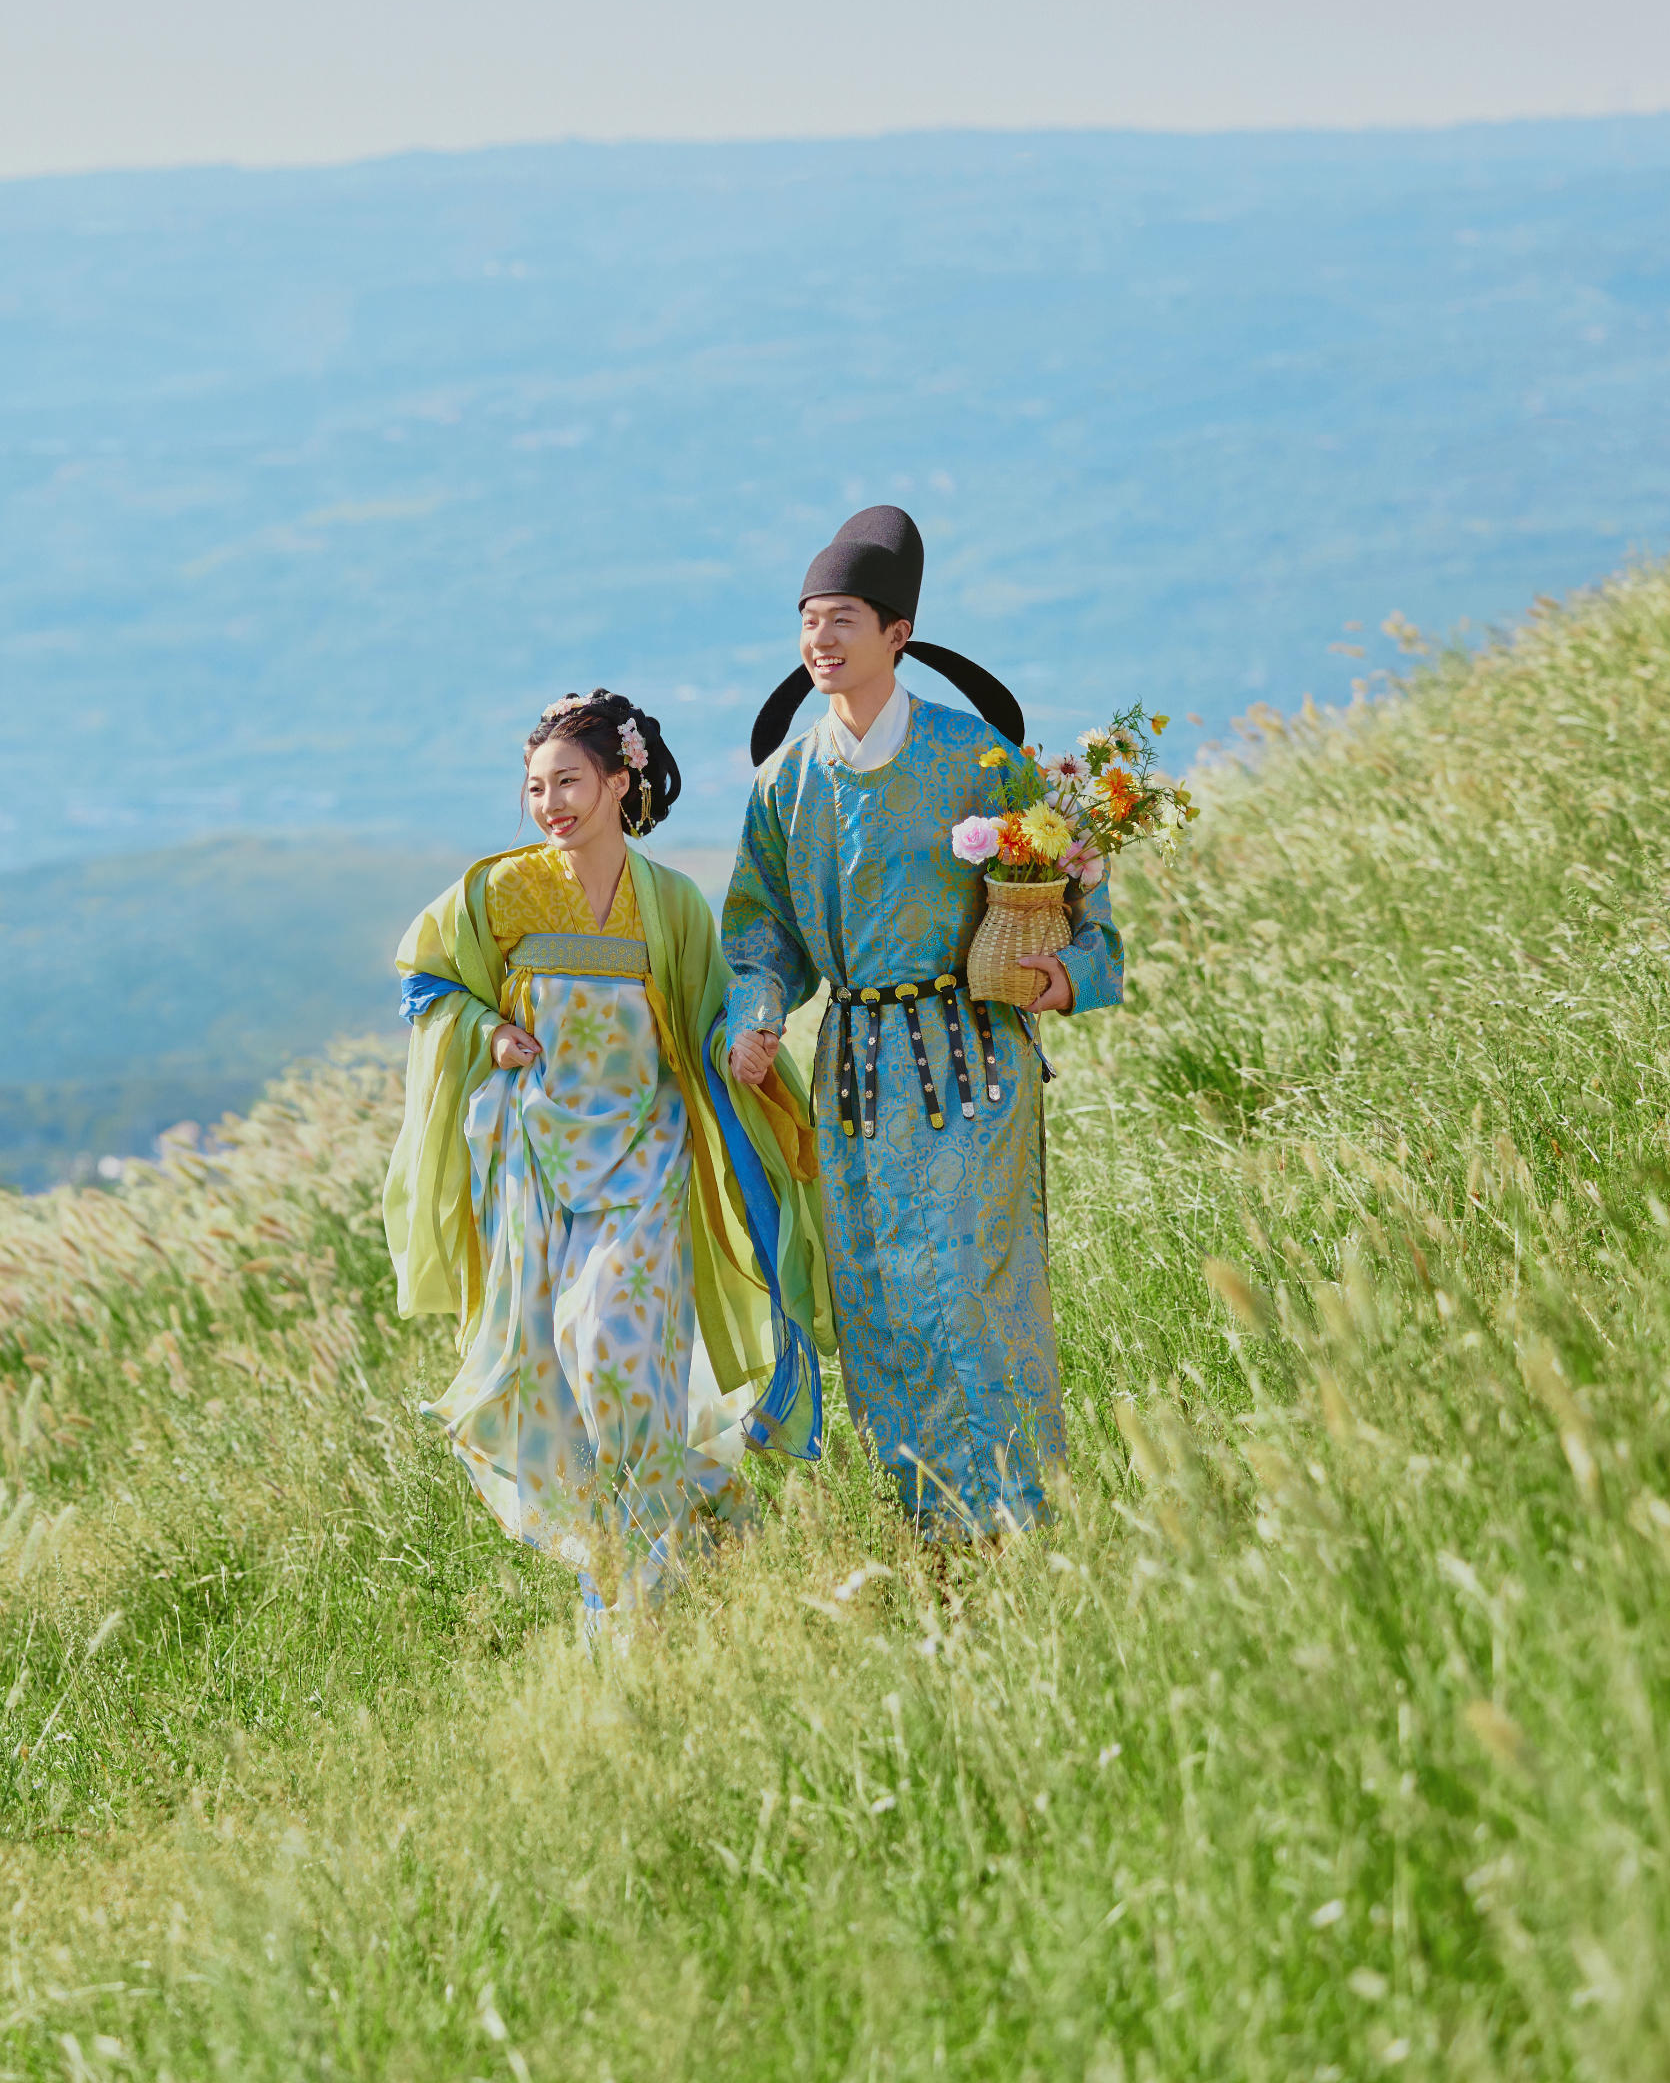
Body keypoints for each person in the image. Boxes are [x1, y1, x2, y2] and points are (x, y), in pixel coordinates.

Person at [383, 689, 827, 1645]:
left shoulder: (667, 901)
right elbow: (426, 980)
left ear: (622, 783)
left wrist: (743, 1047)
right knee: (562, 1376)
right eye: (536, 787)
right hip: (537, 1168)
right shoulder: (498, 892)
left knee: (615, 1349)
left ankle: (643, 1601)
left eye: (571, 783)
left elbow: (708, 1014)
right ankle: (684, 1544)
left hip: (648, 1159)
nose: (551, 804)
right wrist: (488, 1029)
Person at [720, 508, 1122, 1536]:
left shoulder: (975, 759)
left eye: (843, 619)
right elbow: (760, 932)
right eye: (809, 621)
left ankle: (1024, 1521)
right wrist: (757, 1016)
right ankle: (936, 1534)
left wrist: (1062, 979)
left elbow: (1079, 896)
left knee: (978, 1296)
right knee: (881, 1307)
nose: (821, 640)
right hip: (854, 1075)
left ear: (898, 633)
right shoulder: (785, 786)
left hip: (972, 1062)